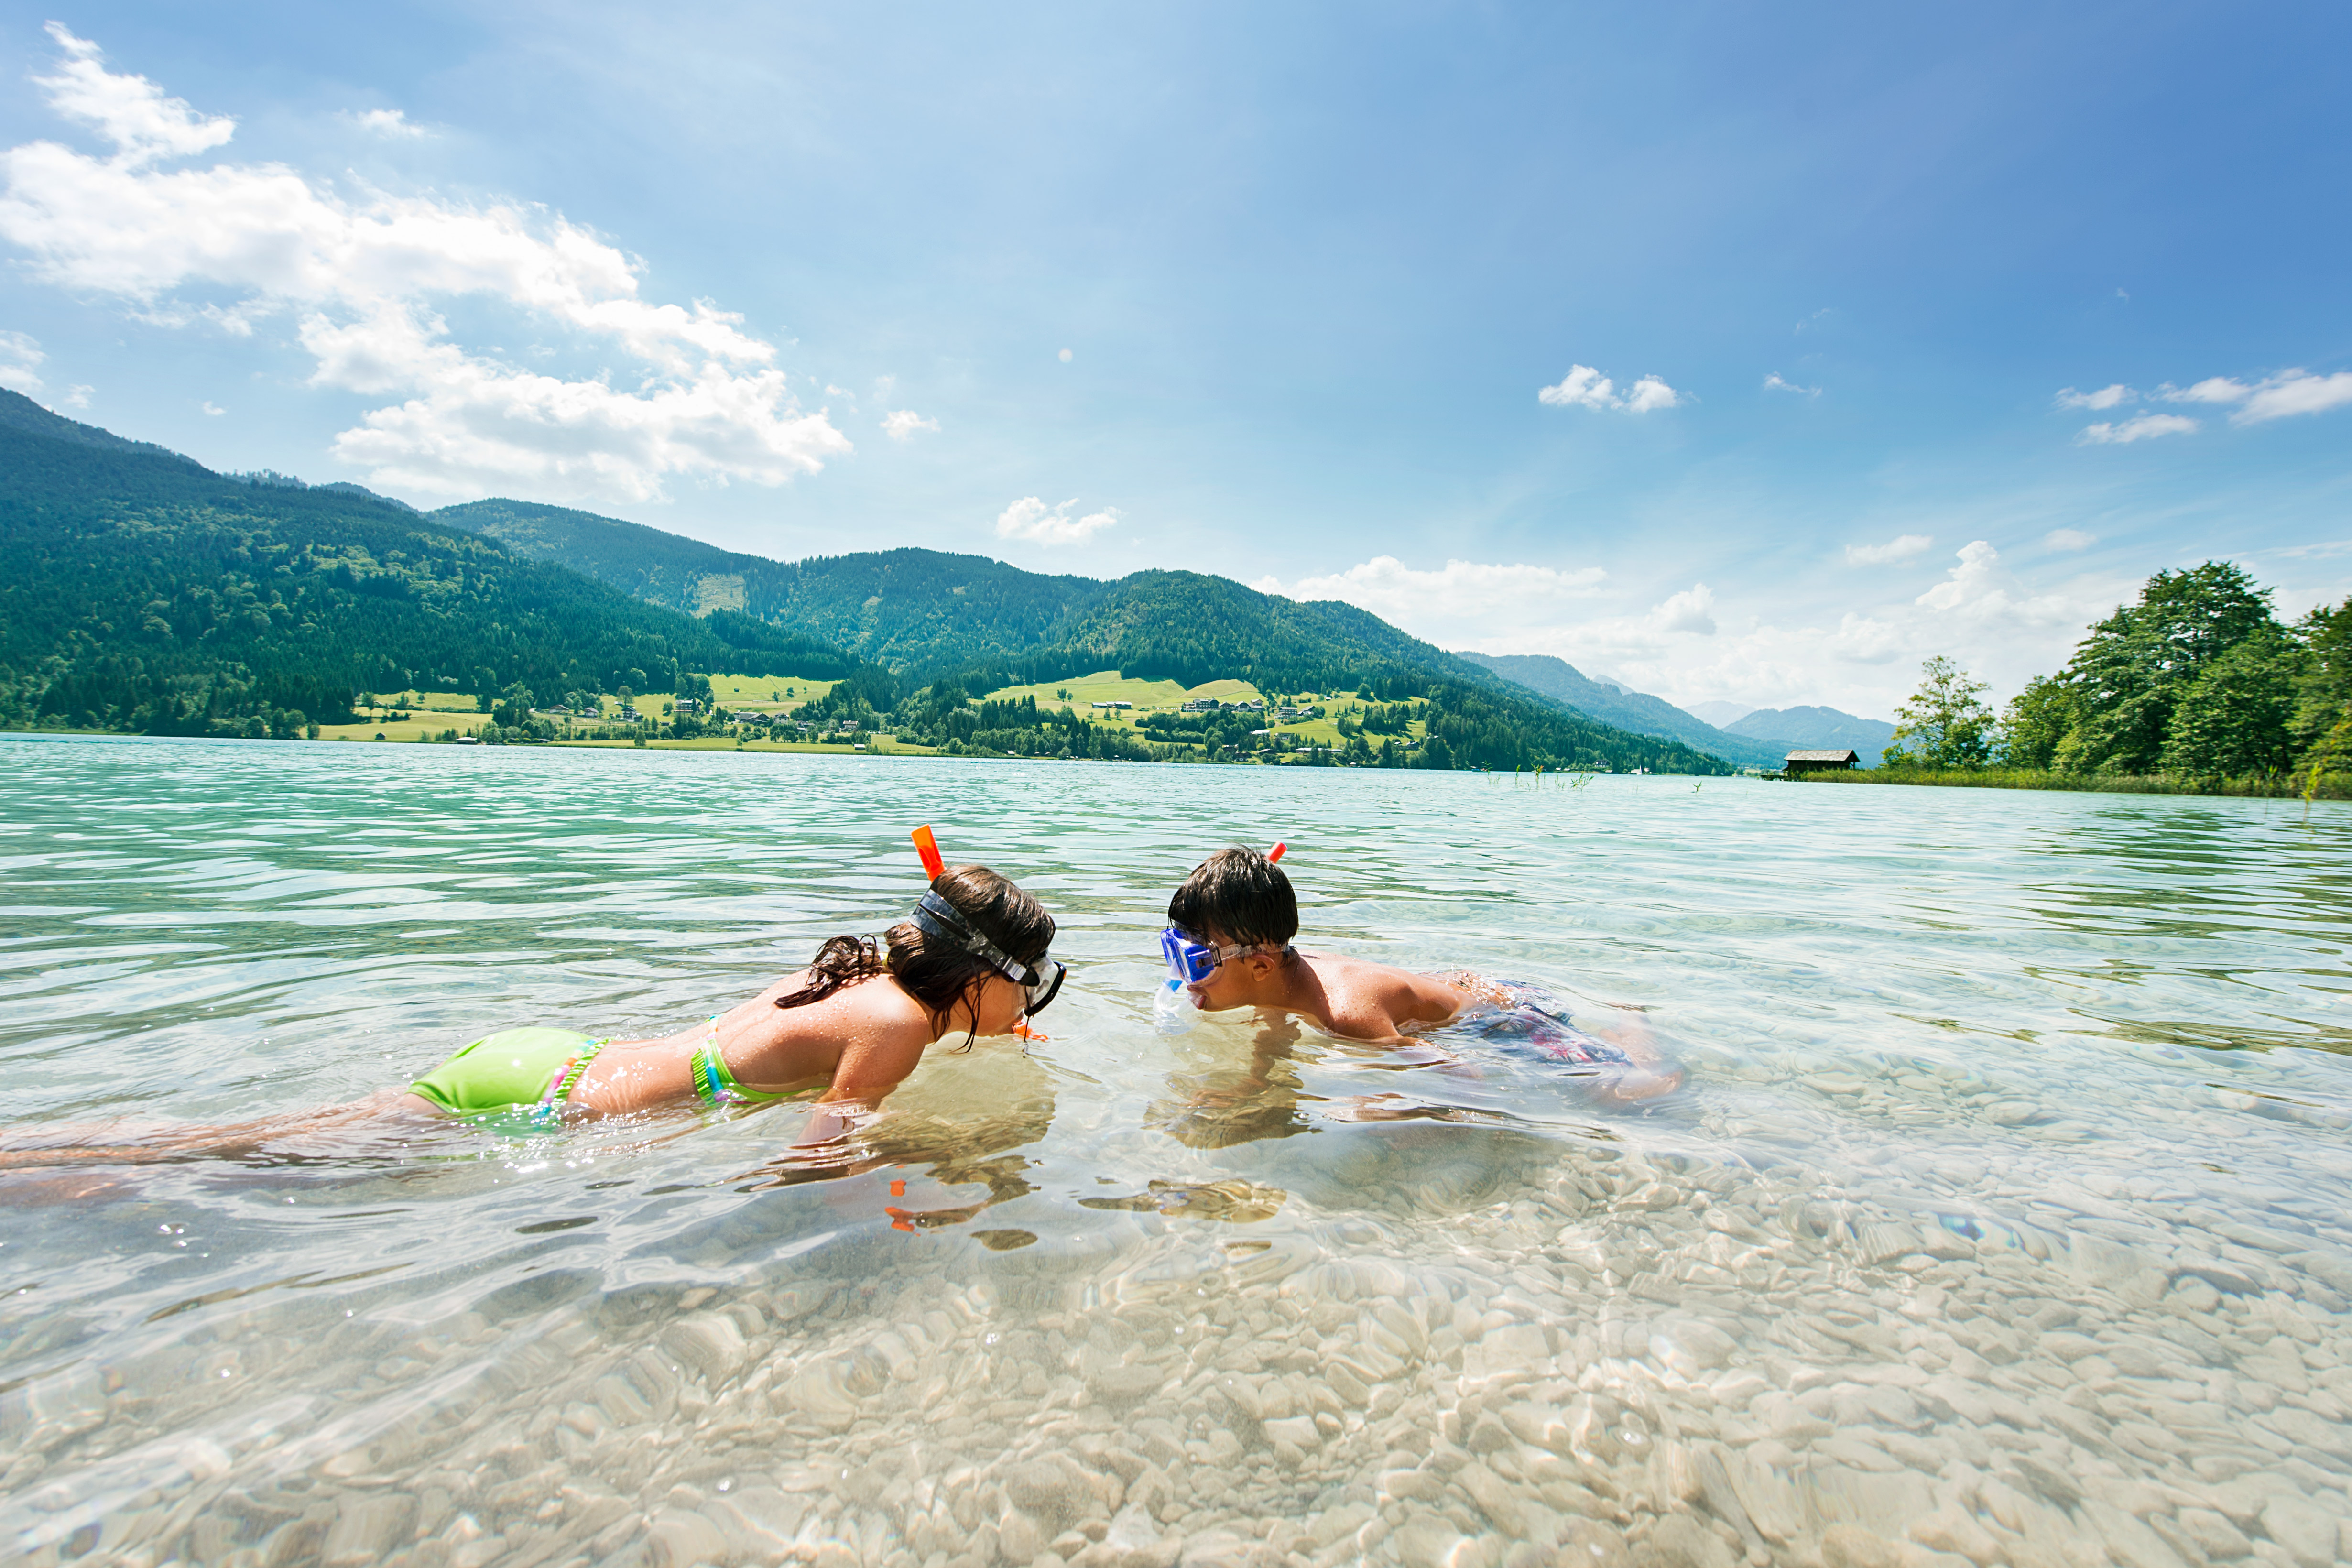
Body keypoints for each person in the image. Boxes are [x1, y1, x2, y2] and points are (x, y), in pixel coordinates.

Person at [1, 861, 1064, 1173]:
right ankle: (66, 1167)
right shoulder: (897, 1027)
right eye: (1032, 979)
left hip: (555, 1053)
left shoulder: (862, 978)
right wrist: (864, 1224)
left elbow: (826, 1049)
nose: (1035, 999)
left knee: (282, 1132)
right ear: (982, 975)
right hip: (556, 1106)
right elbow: (823, 1141)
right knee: (236, 1155)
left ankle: (78, 1151)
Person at [1159, 846, 1679, 1103]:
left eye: (1195, 963)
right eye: (1173, 953)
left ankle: (1634, 1027)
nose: (1183, 981)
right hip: (1459, 989)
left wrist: (1389, 1110)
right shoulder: (1277, 976)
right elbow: (1276, 1027)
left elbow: (1461, 1076)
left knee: (1632, 1091)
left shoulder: (1347, 1017)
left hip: (1497, 1020)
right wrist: (1254, 1085)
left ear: (1259, 965)